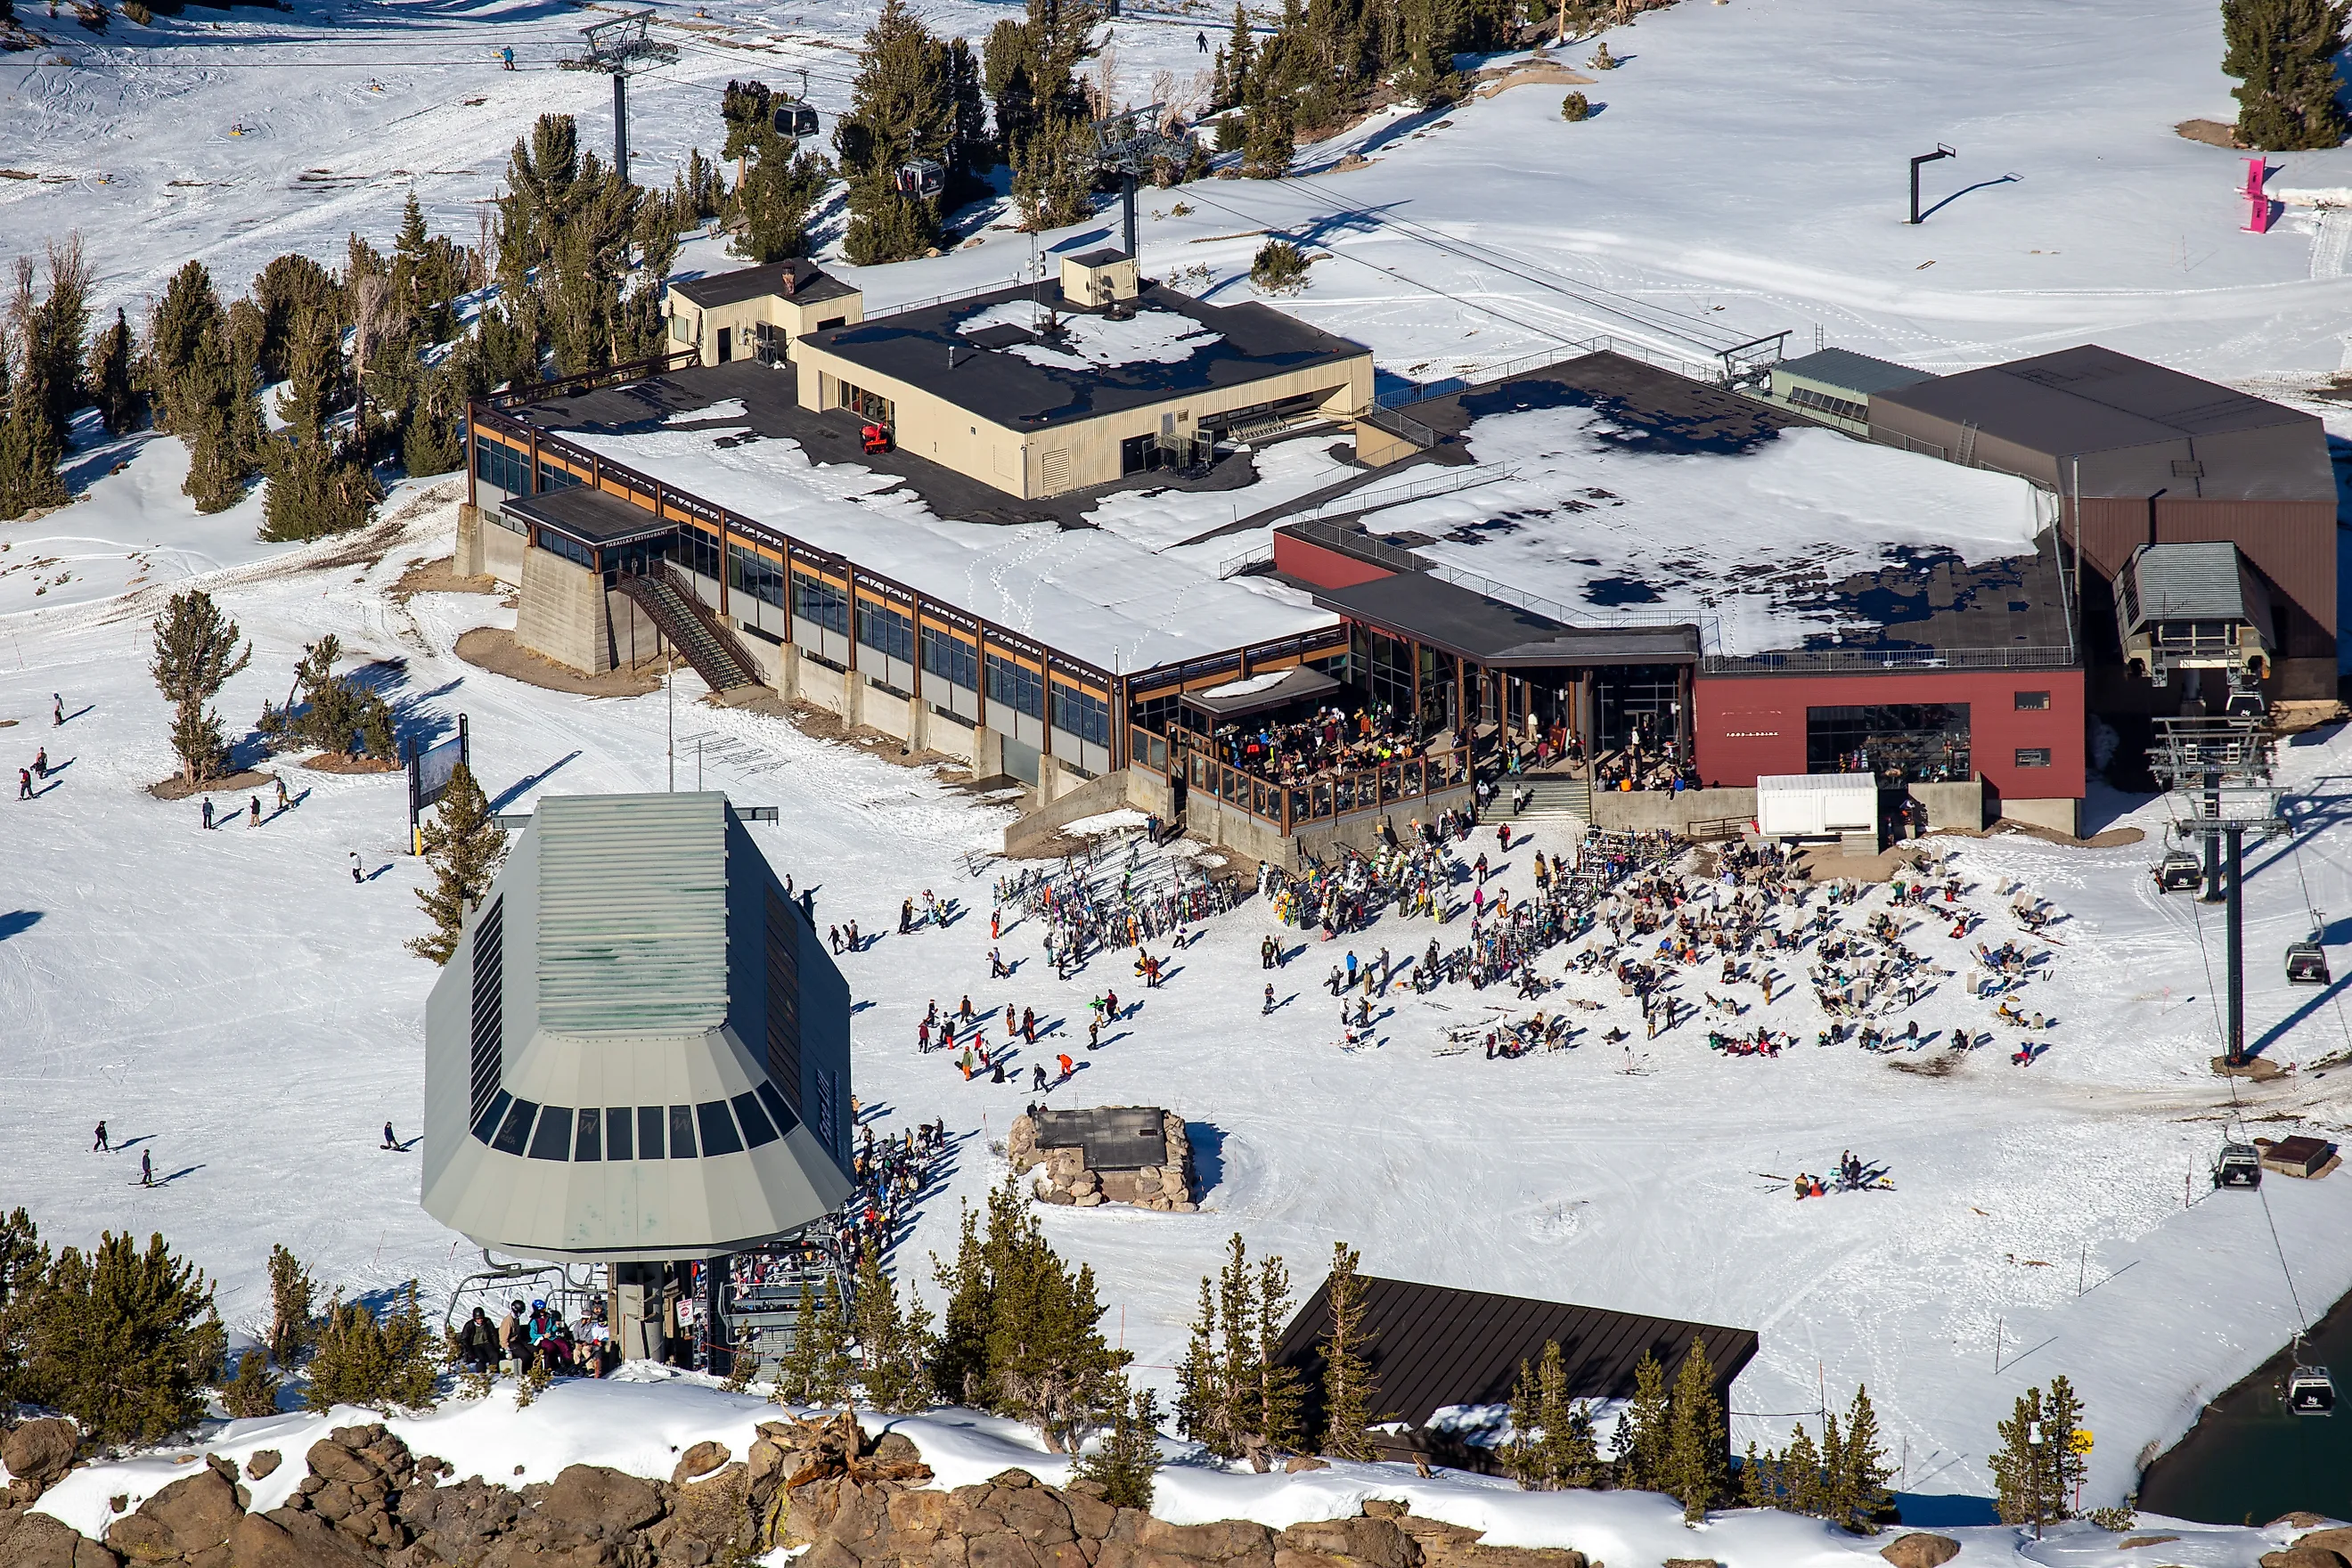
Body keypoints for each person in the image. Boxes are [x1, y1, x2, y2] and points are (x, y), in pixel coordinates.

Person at [458, 1307, 498, 1373]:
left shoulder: (487, 1322)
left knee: (494, 1355)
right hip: (475, 1345)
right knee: (480, 1358)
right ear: (475, 1319)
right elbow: (464, 1339)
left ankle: (494, 1372)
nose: (480, 1320)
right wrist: (469, 1350)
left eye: (481, 1318)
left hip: (486, 1343)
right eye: (478, 1319)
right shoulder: (469, 1325)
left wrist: (496, 1346)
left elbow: (493, 1334)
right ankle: (481, 1373)